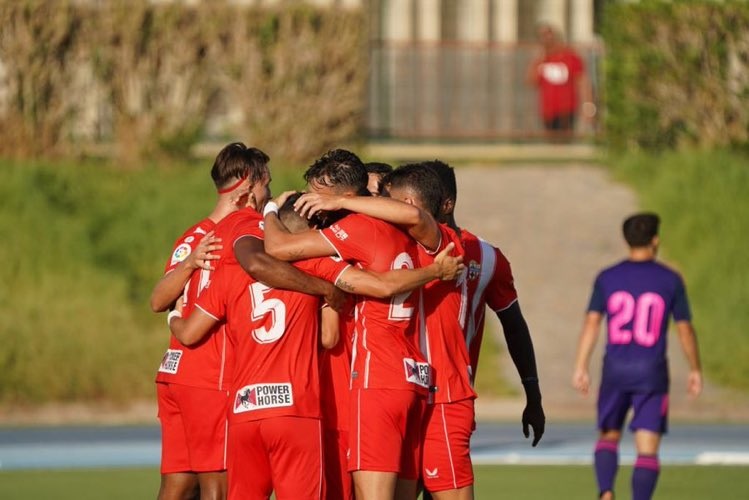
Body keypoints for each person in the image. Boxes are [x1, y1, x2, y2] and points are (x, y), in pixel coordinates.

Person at [169, 190, 463, 500]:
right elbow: (329, 336)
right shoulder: (314, 270)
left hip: (245, 408)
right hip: (296, 410)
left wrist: (174, 316)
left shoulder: (234, 274)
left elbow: (188, 332)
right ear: (309, 231)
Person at [262, 149, 439, 500]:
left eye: (316, 197)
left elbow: (277, 249)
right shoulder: (410, 230)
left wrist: (268, 209)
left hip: (375, 379)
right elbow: (416, 216)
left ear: (340, 197)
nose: (310, 203)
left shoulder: (354, 229)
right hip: (412, 376)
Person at [420, 160, 546, 500]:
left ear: (446, 204)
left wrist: (533, 395)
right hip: (395, 394)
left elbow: (514, 325)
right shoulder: (396, 247)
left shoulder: (487, 258)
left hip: (447, 398)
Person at [150, 142, 268, 500]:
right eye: (267, 183)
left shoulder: (194, 235)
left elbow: (159, 302)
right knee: (220, 485)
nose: (269, 193)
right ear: (249, 185)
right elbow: (158, 300)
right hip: (210, 375)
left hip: (176, 375)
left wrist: (188, 265)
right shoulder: (243, 237)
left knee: (179, 485)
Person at [572, 213, 703, 500]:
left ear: (626, 240)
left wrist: (581, 365)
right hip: (651, 372)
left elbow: (592, 322)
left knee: (609, 435)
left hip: (615, 370)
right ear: (655, 240)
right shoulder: (670, 279)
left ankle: (606, 492)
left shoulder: (607, 277)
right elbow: (685, 329)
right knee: (647, 448)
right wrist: (695, 368)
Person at [525, 22, 595, 135]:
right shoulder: (541, 59)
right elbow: (531, 82)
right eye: (542, 36)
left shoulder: (570, 56)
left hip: (567, 110)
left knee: (565, 139)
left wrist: (587, 106)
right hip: (547, 111)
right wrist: (538, 60)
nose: (546, 39)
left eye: (549, 34)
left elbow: (582, 82)